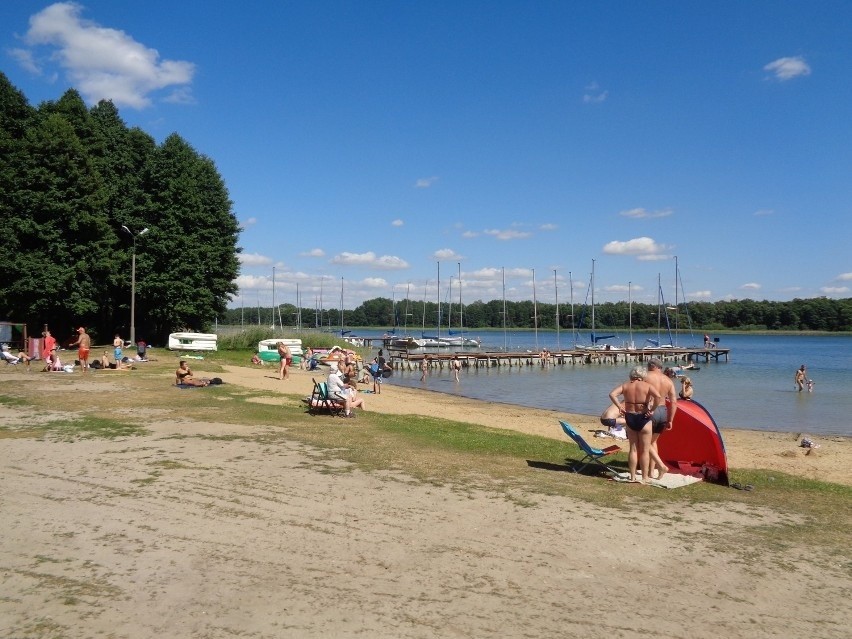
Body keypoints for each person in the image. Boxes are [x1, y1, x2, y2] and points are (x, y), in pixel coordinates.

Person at [609, 366, 661, 484]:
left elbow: (612, 394)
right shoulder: (647, 386)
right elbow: (658, 396)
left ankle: (632, 477)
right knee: (645, 450)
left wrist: (619, 407)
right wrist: (652, 409)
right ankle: (644, 477)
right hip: (644, 417)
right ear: (643, 376)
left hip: (630, 417)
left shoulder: (626, 385)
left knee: (633, 449)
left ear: (632, 375)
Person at [646, 358, 678, 481]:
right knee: (653, 442)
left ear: (652, 366)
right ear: (660, 367)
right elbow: (674, 402)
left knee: (645, 442)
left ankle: (657, 467)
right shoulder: (668, 380)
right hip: (663, 412)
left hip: (650, 411)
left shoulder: (646, 376)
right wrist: (670, 420)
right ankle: (651, 472)